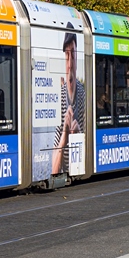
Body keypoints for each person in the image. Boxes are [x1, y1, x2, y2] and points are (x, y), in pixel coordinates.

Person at [53, 32, 87, 174]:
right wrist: (64, 136)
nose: (70, 64)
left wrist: (79, 137)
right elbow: (54, 170)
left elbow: (91, 158)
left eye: (73, 54)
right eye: (67, 56)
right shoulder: (58, 98)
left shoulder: (84, 95)